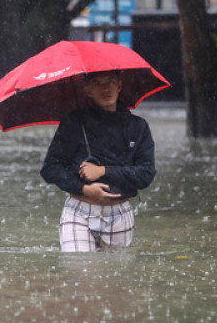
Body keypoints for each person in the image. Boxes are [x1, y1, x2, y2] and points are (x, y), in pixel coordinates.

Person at [40, 70, 156, 252]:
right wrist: (83, 189)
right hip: (78, 210)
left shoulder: (138, 127)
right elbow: (50, 168)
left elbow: (146, 174)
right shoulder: (73, 123)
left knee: (115, 279)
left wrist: (103, 171)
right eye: (96, 83)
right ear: (87, 90)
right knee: (79, 271)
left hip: (119, 213)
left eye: (110, 81)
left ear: (119, 85)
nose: (105, 88)